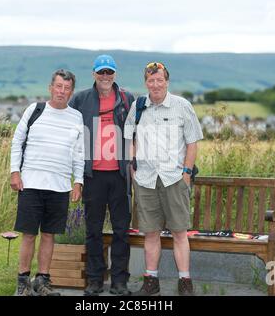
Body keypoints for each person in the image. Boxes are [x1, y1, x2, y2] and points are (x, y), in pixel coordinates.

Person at [124, 62, 203, 296]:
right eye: (151, 80)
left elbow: (192, 142)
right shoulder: (138, 107)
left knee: (179, 232)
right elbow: (130, 140)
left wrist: (186, 174)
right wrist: (133, 171)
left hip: (174, 179)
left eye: (160, 80)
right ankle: (151, 282)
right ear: (146, 83)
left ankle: (185, 282)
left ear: (167, 81)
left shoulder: (182, 106)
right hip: (146, 180)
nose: (155, 85)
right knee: (150, 233)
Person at [10, 69, 84, 296]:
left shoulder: (76, 117)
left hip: (60, 186)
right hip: (30, 183)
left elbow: (79, 153)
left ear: (72, 91)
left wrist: (78, 181)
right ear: (50, 87)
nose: (62, 91)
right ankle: (23, 283)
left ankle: (42, 281)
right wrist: (15, 172)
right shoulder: (35, 110)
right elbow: (17, 141)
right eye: (59, 86)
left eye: (67, 88)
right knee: (29, 234)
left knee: (49, 235)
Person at [69, 54, 134, 296]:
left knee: (121, 230)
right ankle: (95, 280)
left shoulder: (127, 98)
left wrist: (134, 163)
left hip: (119, 175)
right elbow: (70, 131)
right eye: (101, 72)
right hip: (93, 175)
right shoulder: (81, 99)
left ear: (115, 74)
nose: (105, 76)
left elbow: (136, 133)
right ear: (94, 74)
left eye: (109, 72)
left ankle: (119, 281)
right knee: (93, 230)